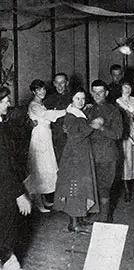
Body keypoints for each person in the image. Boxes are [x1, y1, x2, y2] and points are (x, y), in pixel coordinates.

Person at [53, 88, 100, 232]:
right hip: (74, 157)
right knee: (75, 187)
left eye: (83, 98)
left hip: (81, 154)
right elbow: (75, 137)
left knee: (82, 186)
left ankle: (79, 218)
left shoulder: (79, 113)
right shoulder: (71, 116)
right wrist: (92, 126)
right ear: (71, 100)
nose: (81, 101)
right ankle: (73, 224)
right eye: (77, 98)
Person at [0, 87, 31, 270]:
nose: (8, 104)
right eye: (4, 101)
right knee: (6, 232)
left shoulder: (4, 126)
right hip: (4, 191)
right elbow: (3, 167)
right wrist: (19, 194)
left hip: (4, 186)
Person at [25, 79, 66, 213]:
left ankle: (42, 201)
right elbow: (47, 115)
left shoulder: (40, 104)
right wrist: (66, 110)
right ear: (33, 91)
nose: (42, 92)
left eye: (43, 89)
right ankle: (38, 203)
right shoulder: (34, 105)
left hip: (46, 136)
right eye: (38, 90)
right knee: (38, 169)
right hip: (40, 137)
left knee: (45, 168)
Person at [87, 80, 123, 223]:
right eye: (94, 92)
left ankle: (104, 219)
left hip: (107, 155)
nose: (97, 95)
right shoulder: (88, 109)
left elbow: (118, 134)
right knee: (92, 186)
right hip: (90, 154)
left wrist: (101, 128)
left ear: (106, 93)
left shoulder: (114, 111)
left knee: (104, 188)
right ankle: (96, 214)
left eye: (100, 92)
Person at [44, 72, 72, 164]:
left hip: (68, 135)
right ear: (54, 83)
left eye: (62, 82)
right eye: (57, 83)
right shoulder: (48, 99)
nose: (59, 86)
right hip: (53, 135)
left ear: (67, 83)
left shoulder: (73, 97)